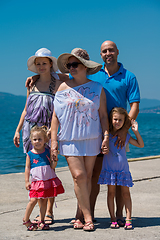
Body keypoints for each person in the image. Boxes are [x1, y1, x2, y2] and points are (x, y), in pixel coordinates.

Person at [50, 48, 109, 231]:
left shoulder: (98, 88)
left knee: (88, 178)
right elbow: (55, 117)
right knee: (79, 176)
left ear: (85, 66)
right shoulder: (62, 87)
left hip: (92, 138)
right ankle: (88, 216)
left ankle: (79, 215)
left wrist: (106, 136)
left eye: (74, 64)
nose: (71, 68)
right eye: (69, 65)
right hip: (69, 139)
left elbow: (103, 116)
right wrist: (53, 142)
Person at [88, 41, 140, 225]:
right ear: (100, 55)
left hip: (118, 133)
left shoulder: (129, 76)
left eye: (111, 50)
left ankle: (119, 216)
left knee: (117, 177)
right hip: (96, 131)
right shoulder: (94, 73)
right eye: (104, 51)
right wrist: (37, 78)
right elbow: (71, 75)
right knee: (95, 174)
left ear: (117, 52)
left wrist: (124, 129)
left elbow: (134, 105)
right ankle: (89, 215)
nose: (108, 53)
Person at [13, 48, 63, 225]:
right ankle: (37, 210)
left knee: (50, 172)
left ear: (51, 64)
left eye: (45, 63)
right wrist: (18, 130)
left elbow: (57, 110)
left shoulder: (57, 83)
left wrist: (53, 132)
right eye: (38, 64)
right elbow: (26, 110)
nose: (41, 66)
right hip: (30, 132)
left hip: (47, 134)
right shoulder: (31, 84)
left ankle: (48, 212)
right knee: (35, 172)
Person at [98, 107, 144, 229]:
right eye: (115, 119)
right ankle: (112, 218)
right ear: (111, 119)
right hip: (109, 171)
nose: (117, 122)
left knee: (126, 194)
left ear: (125, 122)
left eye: (120, 120)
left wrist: (136, 131)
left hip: (123, 170)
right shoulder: (105, 136)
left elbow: (140, 144)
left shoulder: (125, 136)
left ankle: (128, 218)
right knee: (111, 194)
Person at [22, 126, 64, 231]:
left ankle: (42, 220)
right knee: (33, 200)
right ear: (31, 140)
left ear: (45, 140)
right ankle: (26, 219)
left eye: (40, 139)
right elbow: (27, 168)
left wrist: (55, 159)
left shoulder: (47, 151)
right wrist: (27, 181)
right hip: (36, 182)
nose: (37, 141)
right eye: (35, 139)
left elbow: (52, 166)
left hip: (47, 181)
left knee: (44, 201)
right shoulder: (30, 154)